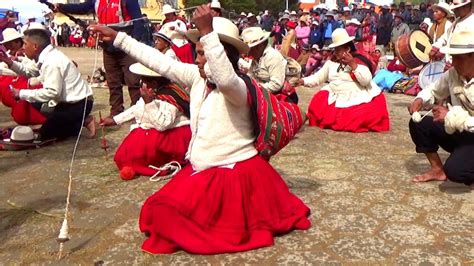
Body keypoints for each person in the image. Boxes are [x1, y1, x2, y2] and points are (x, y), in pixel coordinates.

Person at [89, 5, 310, 254]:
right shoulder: (198, 77)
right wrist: (118, 38)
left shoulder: (237, 87)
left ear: (222, 56)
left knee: (170, 220)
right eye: (198, 53)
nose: (197, 59)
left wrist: (207, 31)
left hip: (231, 171)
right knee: (155, 210)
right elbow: (160, 62)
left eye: (204, 53)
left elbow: (225, 78)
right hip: (203, 167)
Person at [0, 28, 95, 140]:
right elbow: (30, 72)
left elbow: (51, 92)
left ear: (35, 46)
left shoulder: (52, 61)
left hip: (78, 105)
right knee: (37, 108)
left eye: (25, 44)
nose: (23, 47)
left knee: (43, 135)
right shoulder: (46, 57)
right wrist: (9, 62)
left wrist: (20, 93)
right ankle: (79, 121)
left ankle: (82, 120)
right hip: (66, 103)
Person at [100, 63, 191, 180]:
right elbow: (137, 109)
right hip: (154, 132)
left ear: (153, 84)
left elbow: (163, 124)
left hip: (171, 136)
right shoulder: (153, 93)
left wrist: (149, 103)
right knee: (122, 156)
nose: (140, 84)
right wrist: (115, 120)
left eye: (143, 81)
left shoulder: (170, 97)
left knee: (137, 156)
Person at [408, 29, 474, 187]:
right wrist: (419, 99)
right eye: (453, 58)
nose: (454, 63)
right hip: (462, 132)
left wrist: (450, 116)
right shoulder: (453, 74)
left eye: (459, 58)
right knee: (419, 124)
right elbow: (433, 90)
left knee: (457, 172)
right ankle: (437, 169)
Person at [55, 0, 143, 118]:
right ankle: (116, 111)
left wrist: (135, 44)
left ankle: (137, 111)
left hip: (126, 47)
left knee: (133, 81)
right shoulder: (97, 1)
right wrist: (61, 7)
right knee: (113, 81)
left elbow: (138, 22)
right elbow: (81, 7)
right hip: (108, 48)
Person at [298, 28, 390, 133]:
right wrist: (303, 81)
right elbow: (319, 77)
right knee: (317, 104)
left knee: (355, 117)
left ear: (347, 49)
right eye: (335, 50)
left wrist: (352, 64)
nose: (335, 53)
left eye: (338, 50)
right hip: (335, 94)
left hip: (354, 96)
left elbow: (366, 81)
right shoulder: (331, 62)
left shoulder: (359, 61)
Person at [0, 28, 46, 126]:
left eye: (9, 43)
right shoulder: (13, 54)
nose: (6, 46)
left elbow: (32, 71)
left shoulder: (33, 55)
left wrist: (17, 60)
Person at [241, 27, 298, 103]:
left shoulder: (273, 57)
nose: (249, 53)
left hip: (281, 96)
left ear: (259, 46)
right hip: (263, 92)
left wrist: (255, 89)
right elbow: (251, 76)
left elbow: (276, 84)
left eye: (250, 50)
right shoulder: (256, 58)